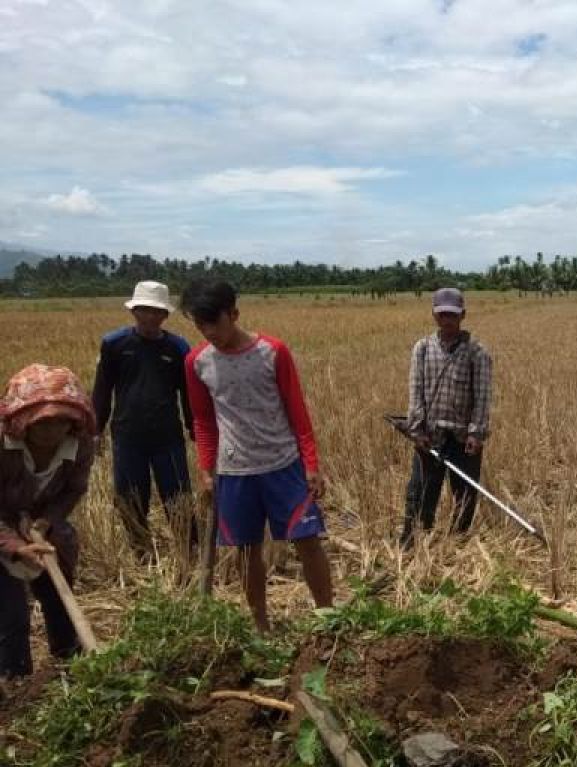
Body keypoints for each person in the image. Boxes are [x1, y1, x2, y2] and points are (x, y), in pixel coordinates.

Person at [179, 279, 333, 631]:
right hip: (234, 472)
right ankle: (261, 625)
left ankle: (328, 617)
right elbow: (203, 420)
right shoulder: (196, 362)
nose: (208, 332)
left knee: (307, 541)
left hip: (283, 464)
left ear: (234, 313)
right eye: (199, 325)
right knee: (246, 551)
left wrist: (311, 464)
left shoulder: (272, 352)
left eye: (213, 323)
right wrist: (206, 469)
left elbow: (297, 411)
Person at [0, 364, 97, 677]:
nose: (52, 430)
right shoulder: (3, 447)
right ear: (24, 421)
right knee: (11, 611)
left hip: (41, 524)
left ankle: (69, 662)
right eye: (44, 422)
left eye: (60, 421)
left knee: (58, 594)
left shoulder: (79, 444)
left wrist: (46, 522)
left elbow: (72, 490)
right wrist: (15, 545)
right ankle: (16, 682)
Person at [92, 280, 196, 561]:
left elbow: (188, 394)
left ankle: (189, 551)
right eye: (144, 310)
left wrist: (194, 428)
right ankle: (141, 551)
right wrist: (95, 430)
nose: (150, 317)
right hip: (127, 435)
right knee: (130, 497)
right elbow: (102, 391)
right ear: (134, 311)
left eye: (156, 312)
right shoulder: (114, 344)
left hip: (167, 436)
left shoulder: (178, 348)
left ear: (165, 315)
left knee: (178, 496)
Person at [401, 287, 493, 547]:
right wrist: (416, 429)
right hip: (430, 436)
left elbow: (483, 397)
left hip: (464, 439)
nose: (447, 320)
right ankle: (413, 542)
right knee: (420, 492)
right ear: (434, 315)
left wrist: (477, 433)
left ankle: (458, 545)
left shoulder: (477, 352)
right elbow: (415, 391)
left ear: (463, 315)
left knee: (464, 495)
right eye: (442, 314)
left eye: (452, 315)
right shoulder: (422, 349)